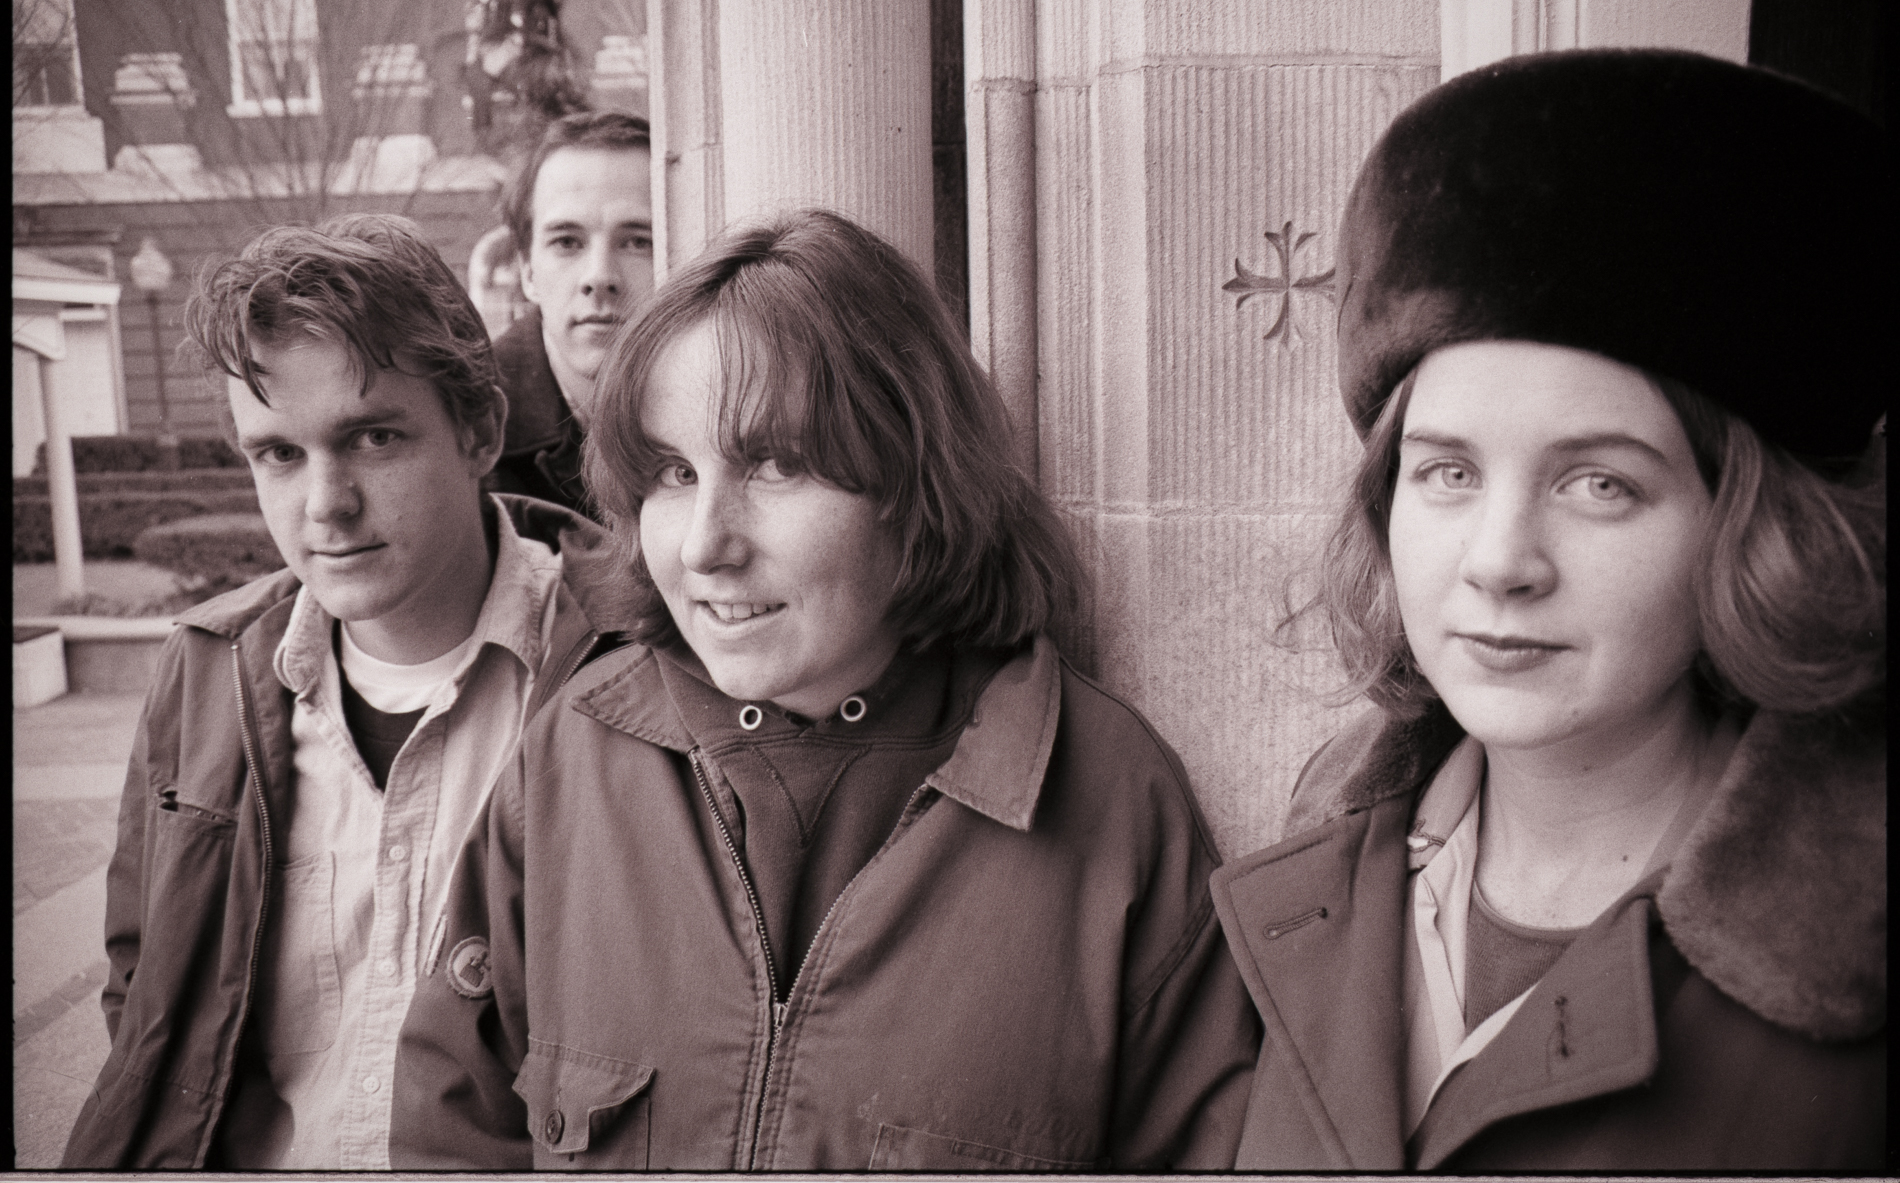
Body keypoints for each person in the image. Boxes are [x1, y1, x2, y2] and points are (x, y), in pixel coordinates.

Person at [392, 208, 1261, 1170]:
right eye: (674, 472)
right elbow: (451, 1133)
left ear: (915, 479)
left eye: (777, 464)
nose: (705, 545)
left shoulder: (1107, 798)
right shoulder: (572, 756)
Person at [1212, 49, 1887, 1170]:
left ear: (1755, 532)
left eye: (1599, 483)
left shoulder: (1851, 973)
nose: (1500, 562)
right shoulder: (1324, 848)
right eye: (1448, 471)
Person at [61, 215, 630, 1169]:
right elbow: (148, 985)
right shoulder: (202, 669)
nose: (325, 503)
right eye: (278, 454)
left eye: (372, 437)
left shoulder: (626, 665)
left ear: (481, 431)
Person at [488, 109, 654, 517]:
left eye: (637, 242)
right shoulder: (469, 432)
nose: (600, 277)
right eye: (567, 242)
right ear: (527, 271)